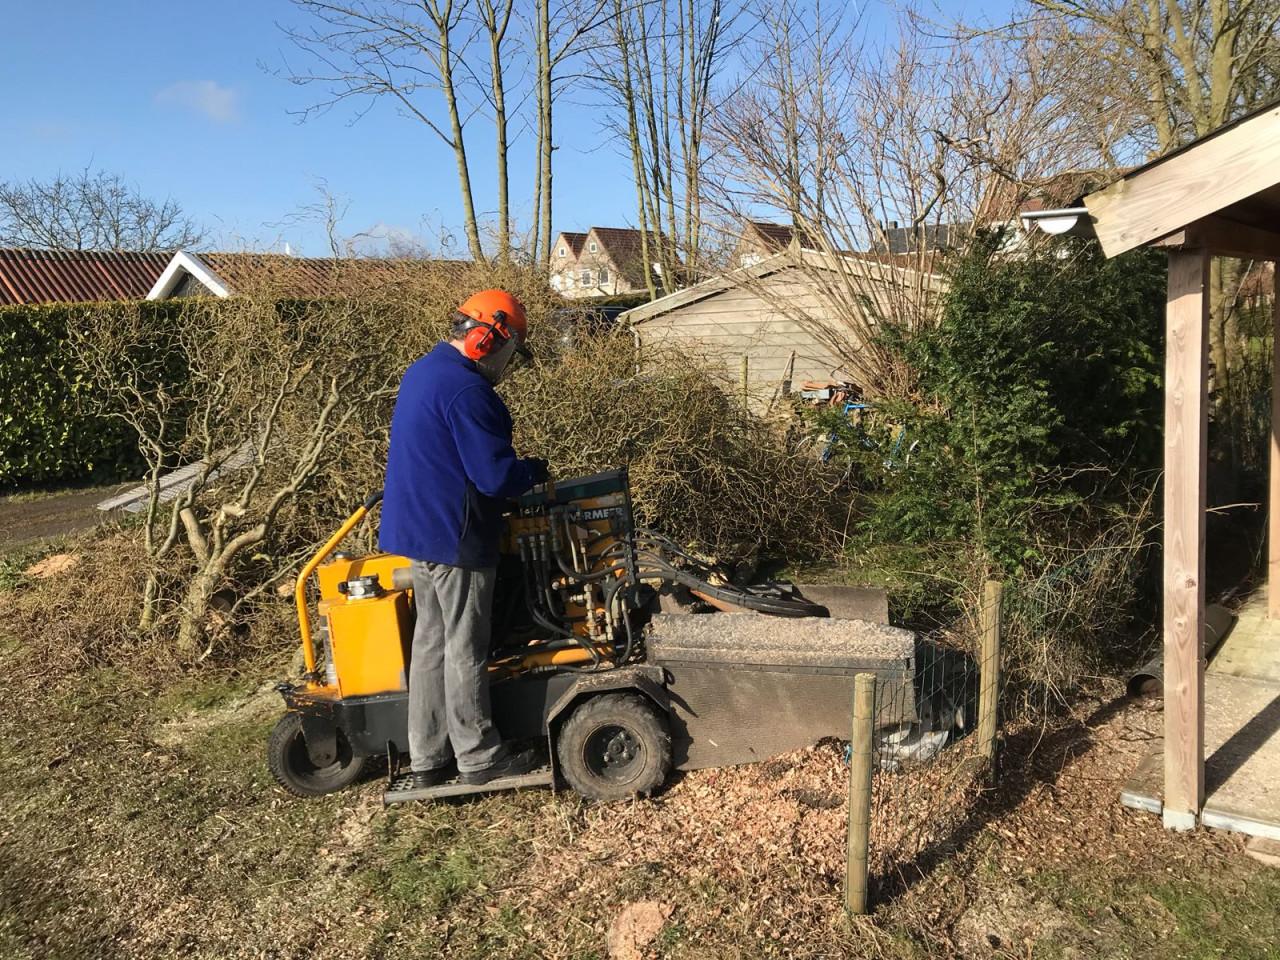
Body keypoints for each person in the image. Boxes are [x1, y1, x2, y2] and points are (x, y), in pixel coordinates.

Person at [381, 289, 549, 788]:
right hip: (456, 536)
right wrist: (533, 473)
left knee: (430, 643)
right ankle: (478, 756)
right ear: (487, 338)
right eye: (508, 351)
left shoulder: (423, 372)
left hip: (419, 533)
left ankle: (428, 758)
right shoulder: (470, 392)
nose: (506, 364)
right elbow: (495, 477)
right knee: (465, 646)